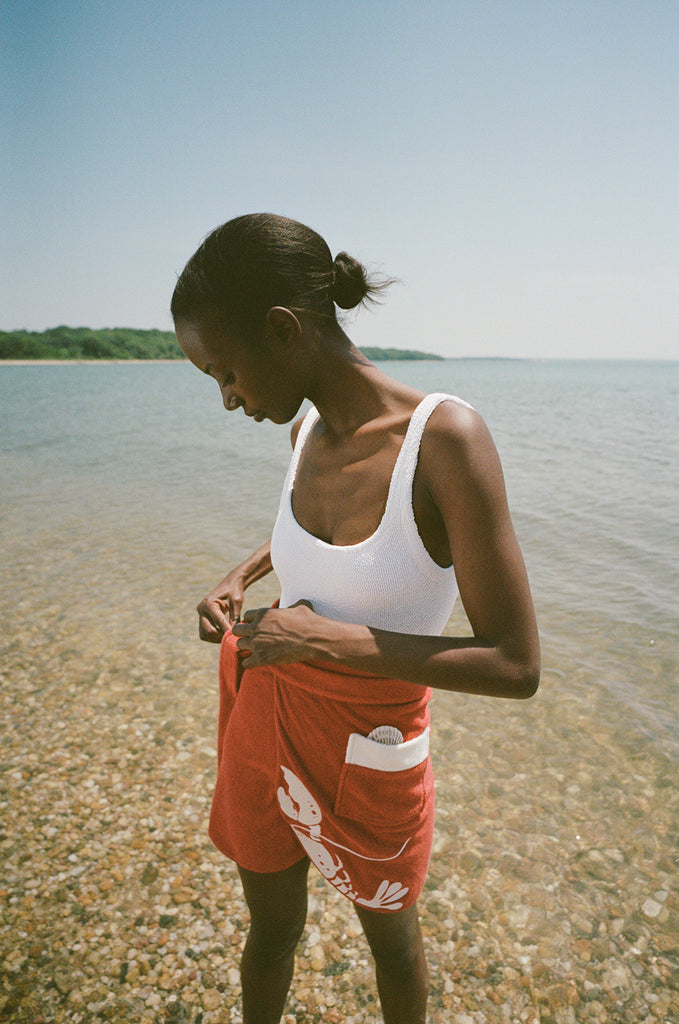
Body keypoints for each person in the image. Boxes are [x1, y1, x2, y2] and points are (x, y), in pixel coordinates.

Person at [171, 213, 540, 1024]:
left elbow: (516, 667)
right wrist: (240, 573)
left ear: (281, 329)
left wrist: (315, 636)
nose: (227, 399)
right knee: (270, 935)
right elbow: (322, 537)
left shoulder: (443, 440)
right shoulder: (304, 429)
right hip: (266, 715)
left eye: (224, 373)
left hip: (370, 749)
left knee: (392, 942)